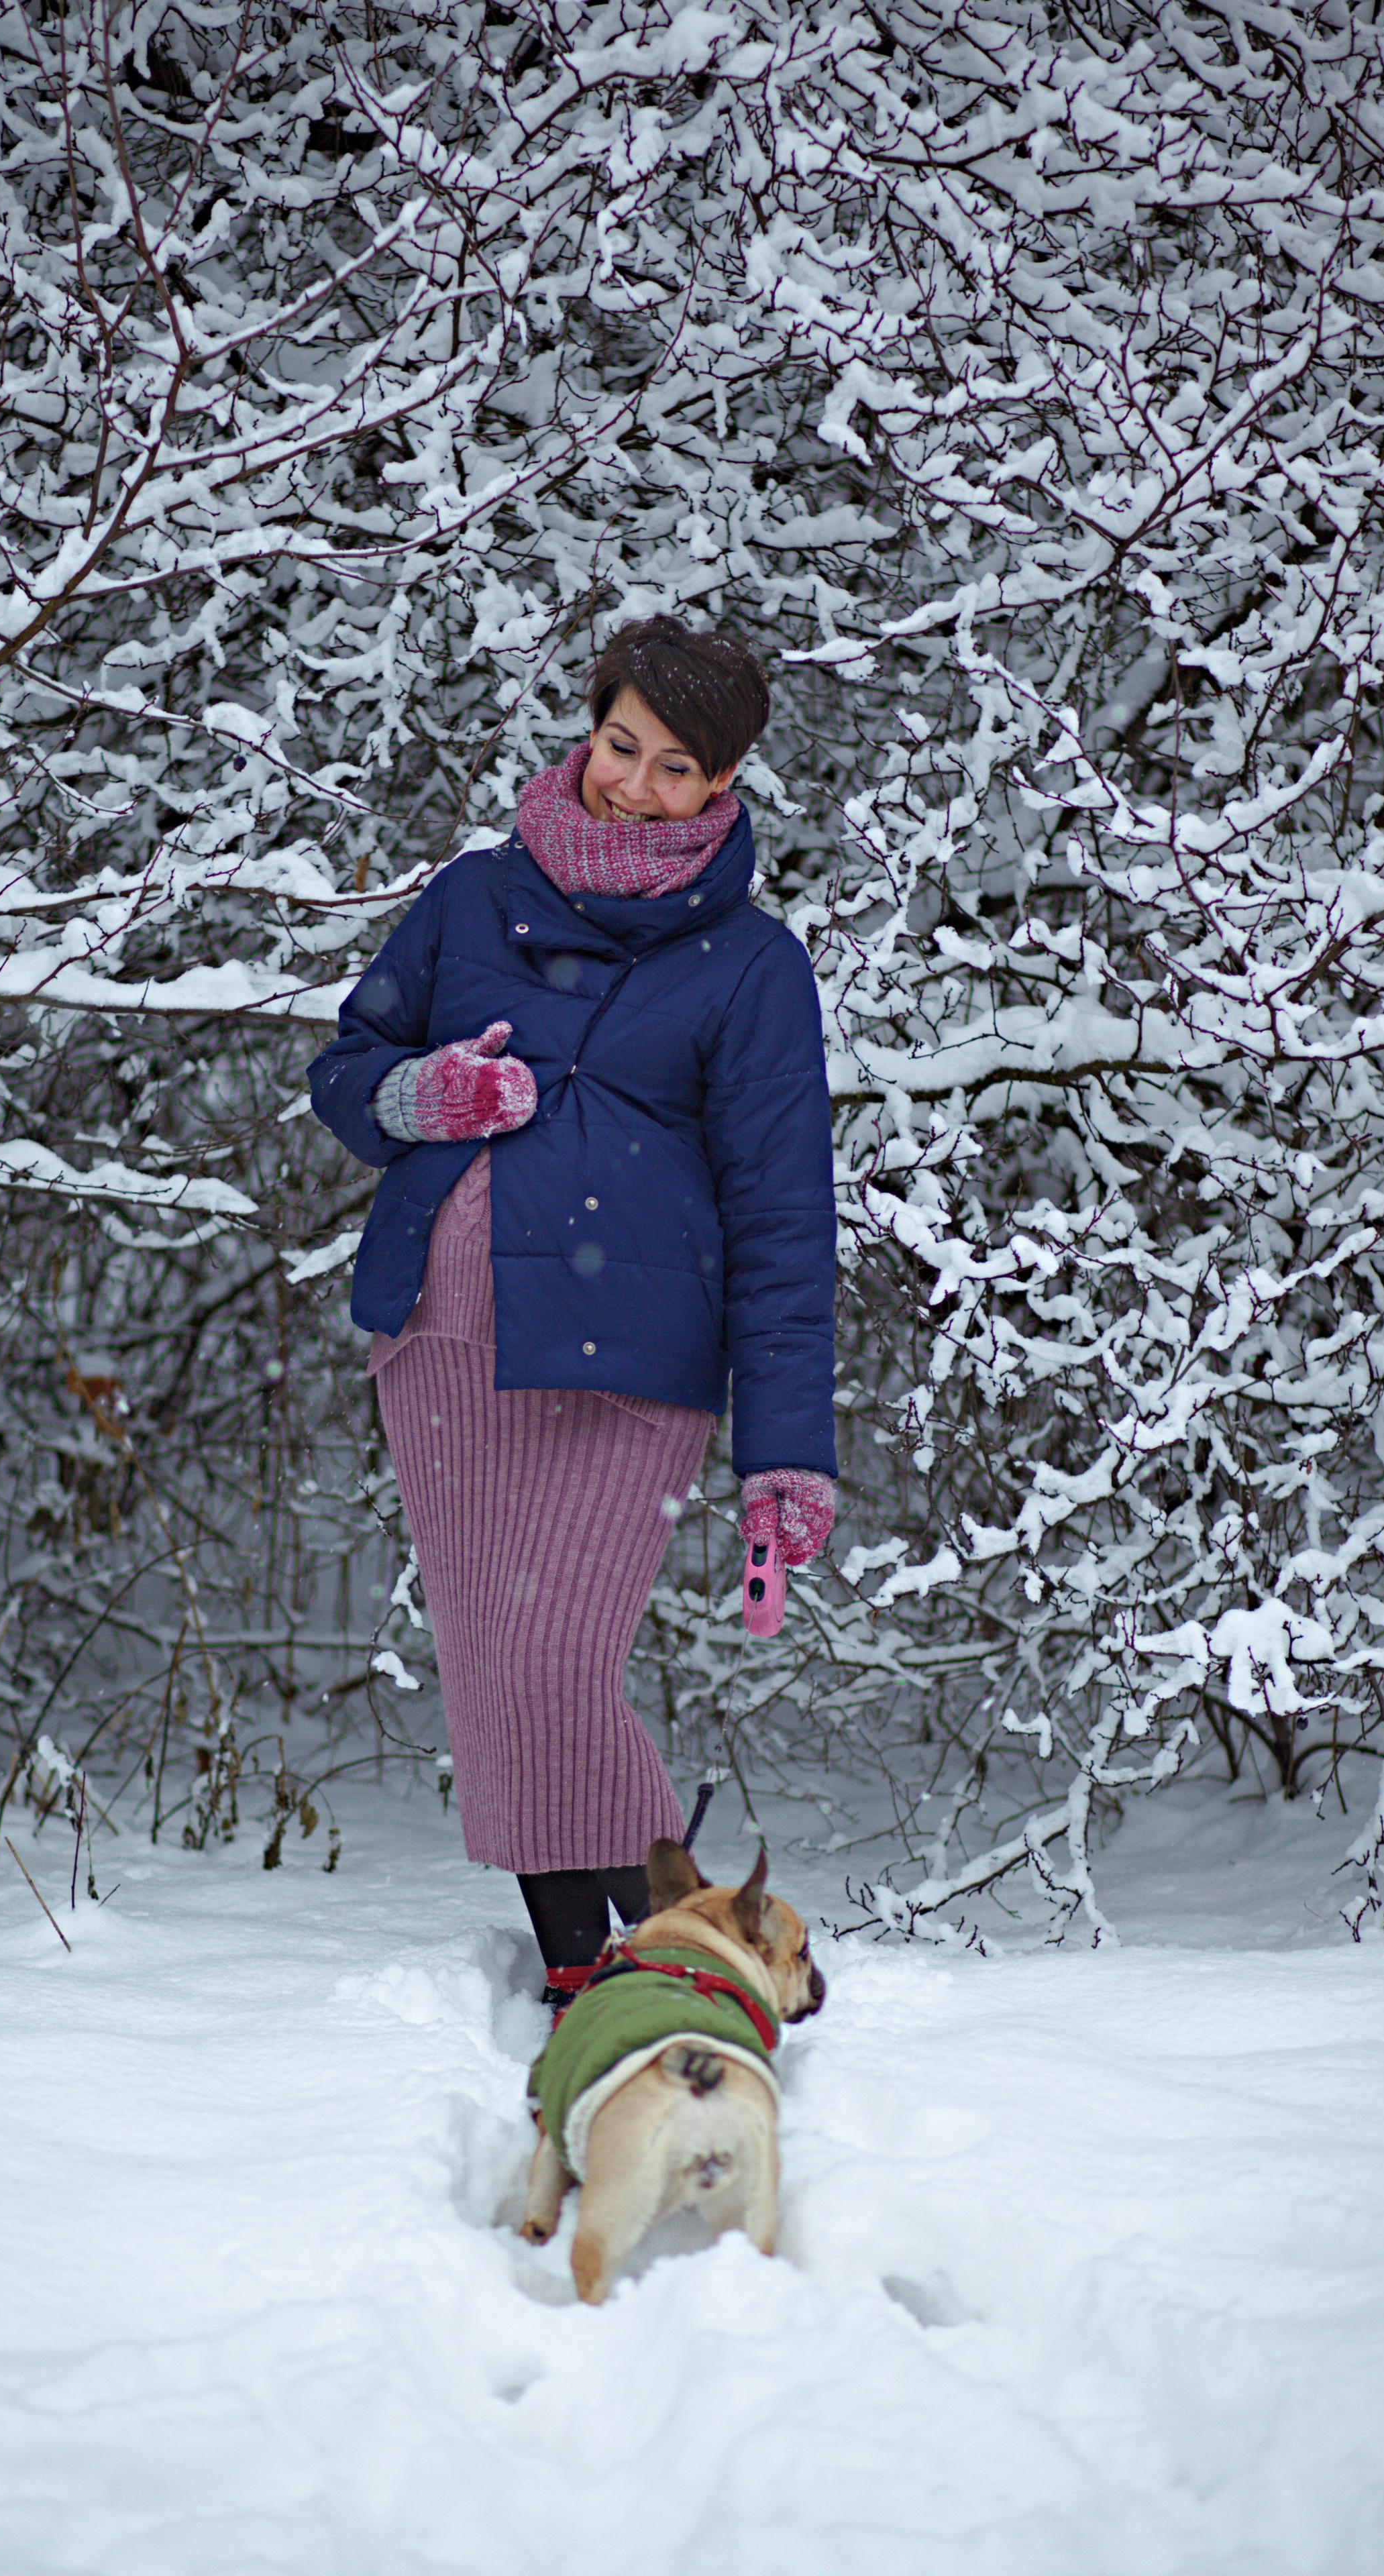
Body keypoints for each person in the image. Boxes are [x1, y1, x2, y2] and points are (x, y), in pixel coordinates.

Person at [308, 616, 836, 2000]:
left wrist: (785, 1446)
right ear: (587, 728)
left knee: (551, 1658)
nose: (633, 785)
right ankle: (584, 1969)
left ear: (721, 788)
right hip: (444, 1331)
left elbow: (784, 1217)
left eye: (674, 769)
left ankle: (694, 1944)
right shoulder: (472, 898)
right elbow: (347, 1066)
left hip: (634, 1357)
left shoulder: (754, 966)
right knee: (495, 1663)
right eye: (621, 747)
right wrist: (419, 1096)